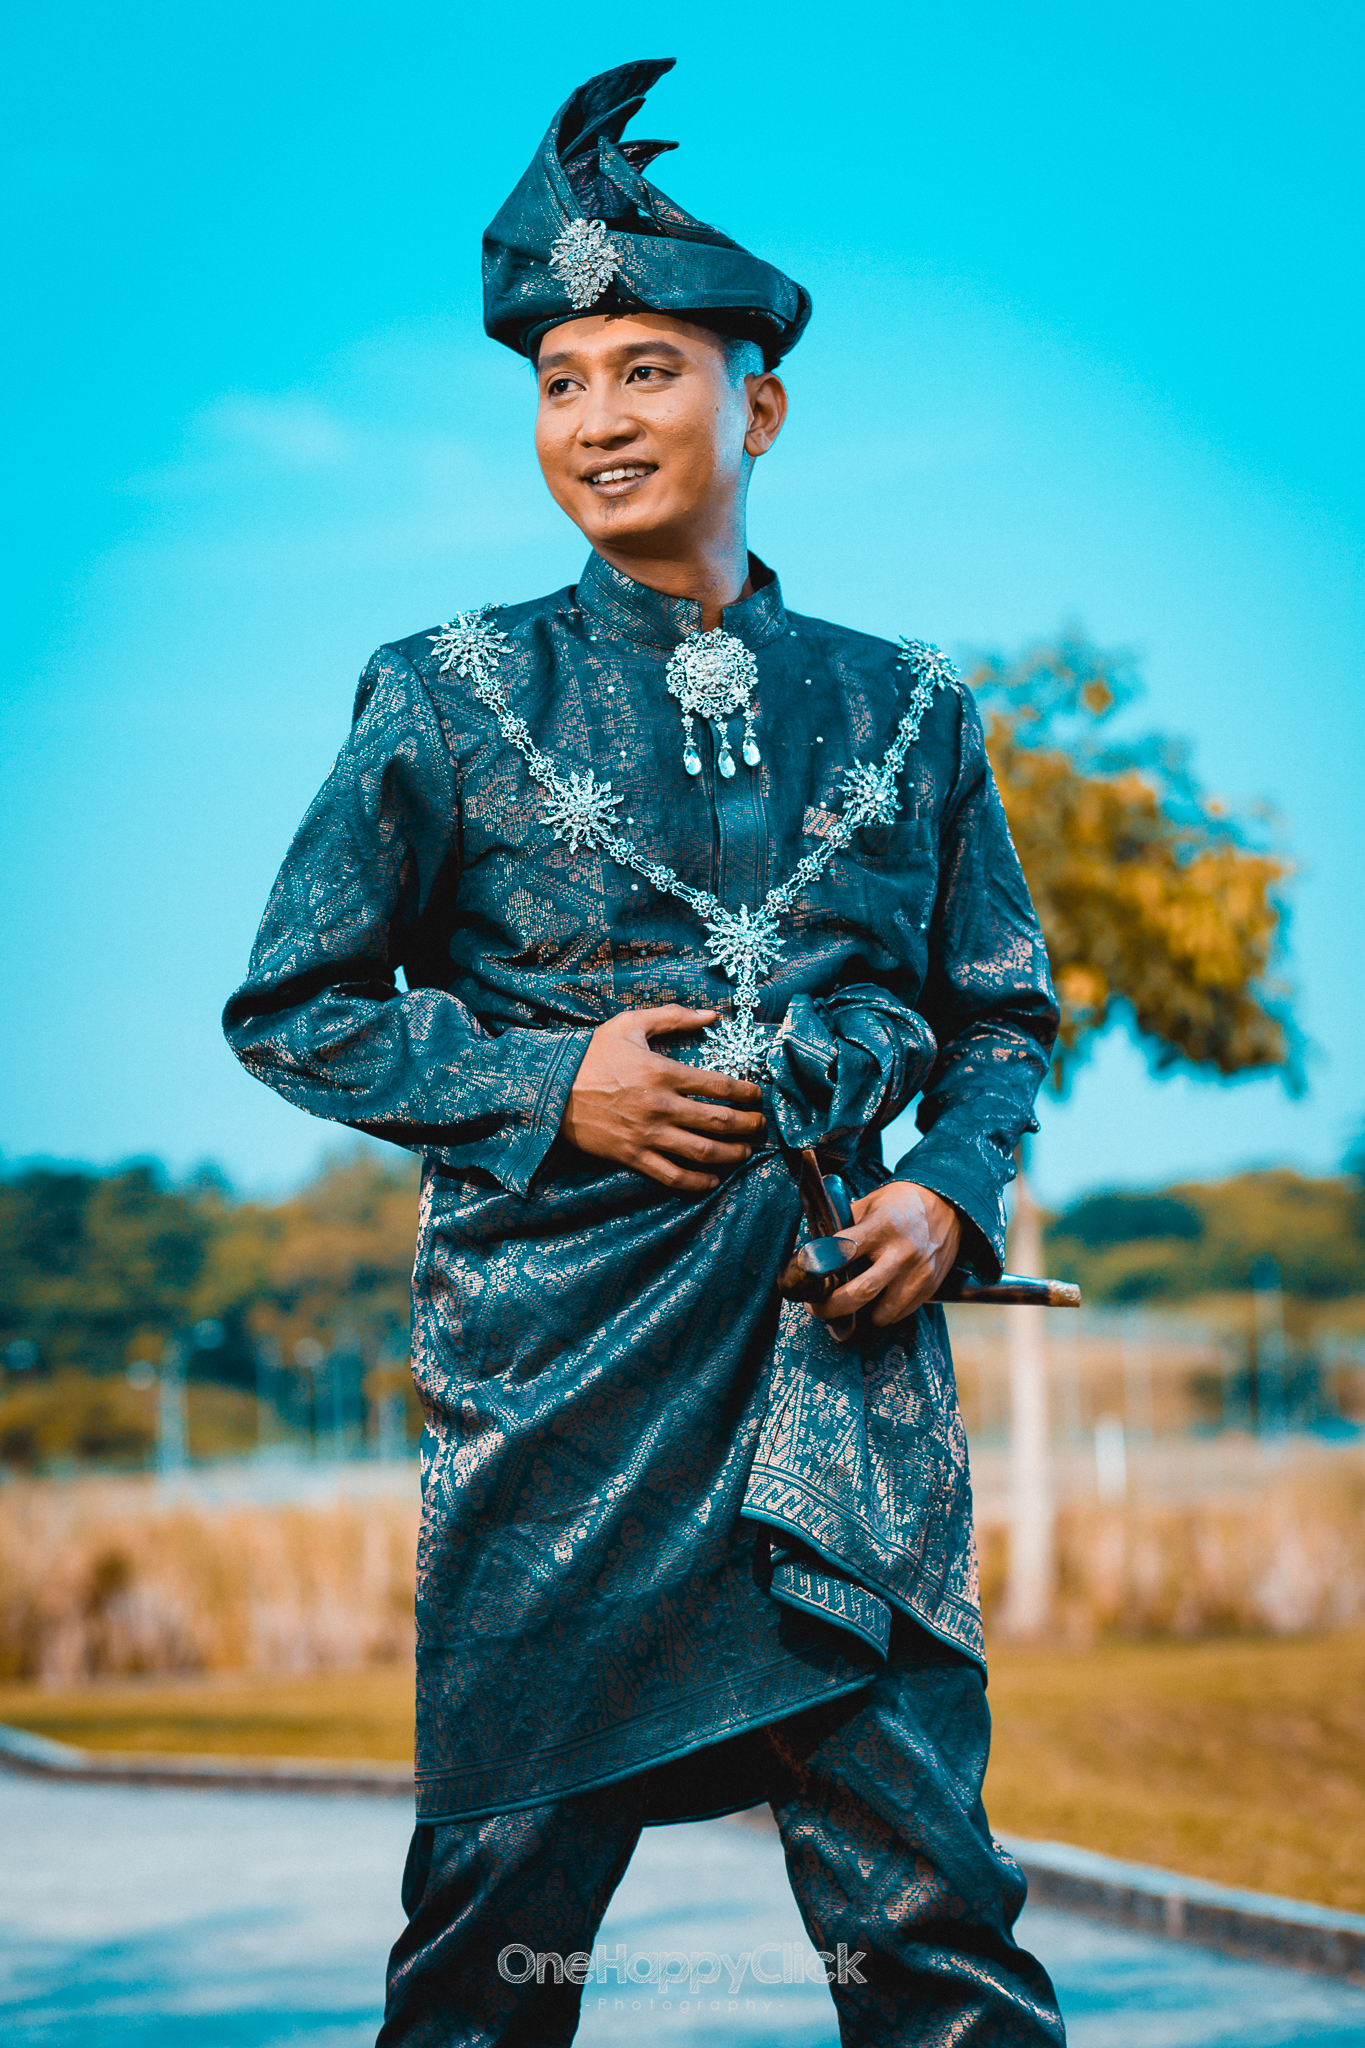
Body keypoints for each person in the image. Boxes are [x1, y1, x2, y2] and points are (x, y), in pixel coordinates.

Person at [224, 57, 1066, 2048]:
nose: (596, 418)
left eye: (645, 371)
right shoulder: (443, 696)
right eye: (559, 381)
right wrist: (552, 1089)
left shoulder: (910, 706)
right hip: (552, 1427)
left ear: (753, 405)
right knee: (487, 1968)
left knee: (934, 1942)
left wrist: (949, 1196)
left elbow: (998, 1008)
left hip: (841, 1404)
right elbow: (292, 1008)